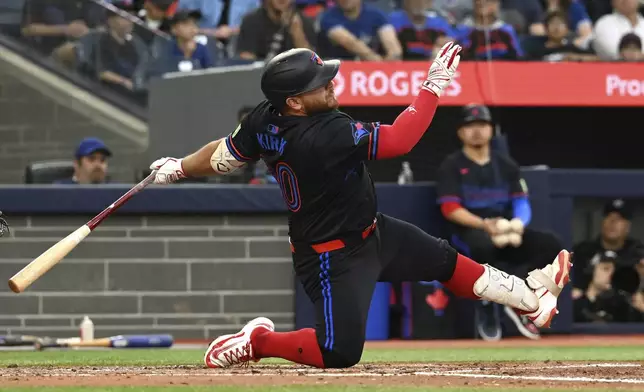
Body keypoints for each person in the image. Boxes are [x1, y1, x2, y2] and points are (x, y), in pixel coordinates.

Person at [148, 43, 571, 369]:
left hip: (373, 230)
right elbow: (400, 140)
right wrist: (433, 86)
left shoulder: (266, 116)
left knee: (449, 263)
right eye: (320, 83)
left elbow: (226, 154)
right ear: (295, 101)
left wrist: (179, 168)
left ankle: (532, 301)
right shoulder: (325, 133)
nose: (332, 84)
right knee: (339, 352)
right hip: (332, 257)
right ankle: (256, 342)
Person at [435, 104, 564, 341]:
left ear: (491, 130)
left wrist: (517, 223)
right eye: (470, 126)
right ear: (460, 132)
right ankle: (489, 305)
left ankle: (521, 298)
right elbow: (450, 209)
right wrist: (485, 224)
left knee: (550, 244)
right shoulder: (452, 166)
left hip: (506, 229)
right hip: (470, 232)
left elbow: (521, 203)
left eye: (482, 125)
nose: (476, 131)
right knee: (482, 246)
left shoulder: (506, 165)